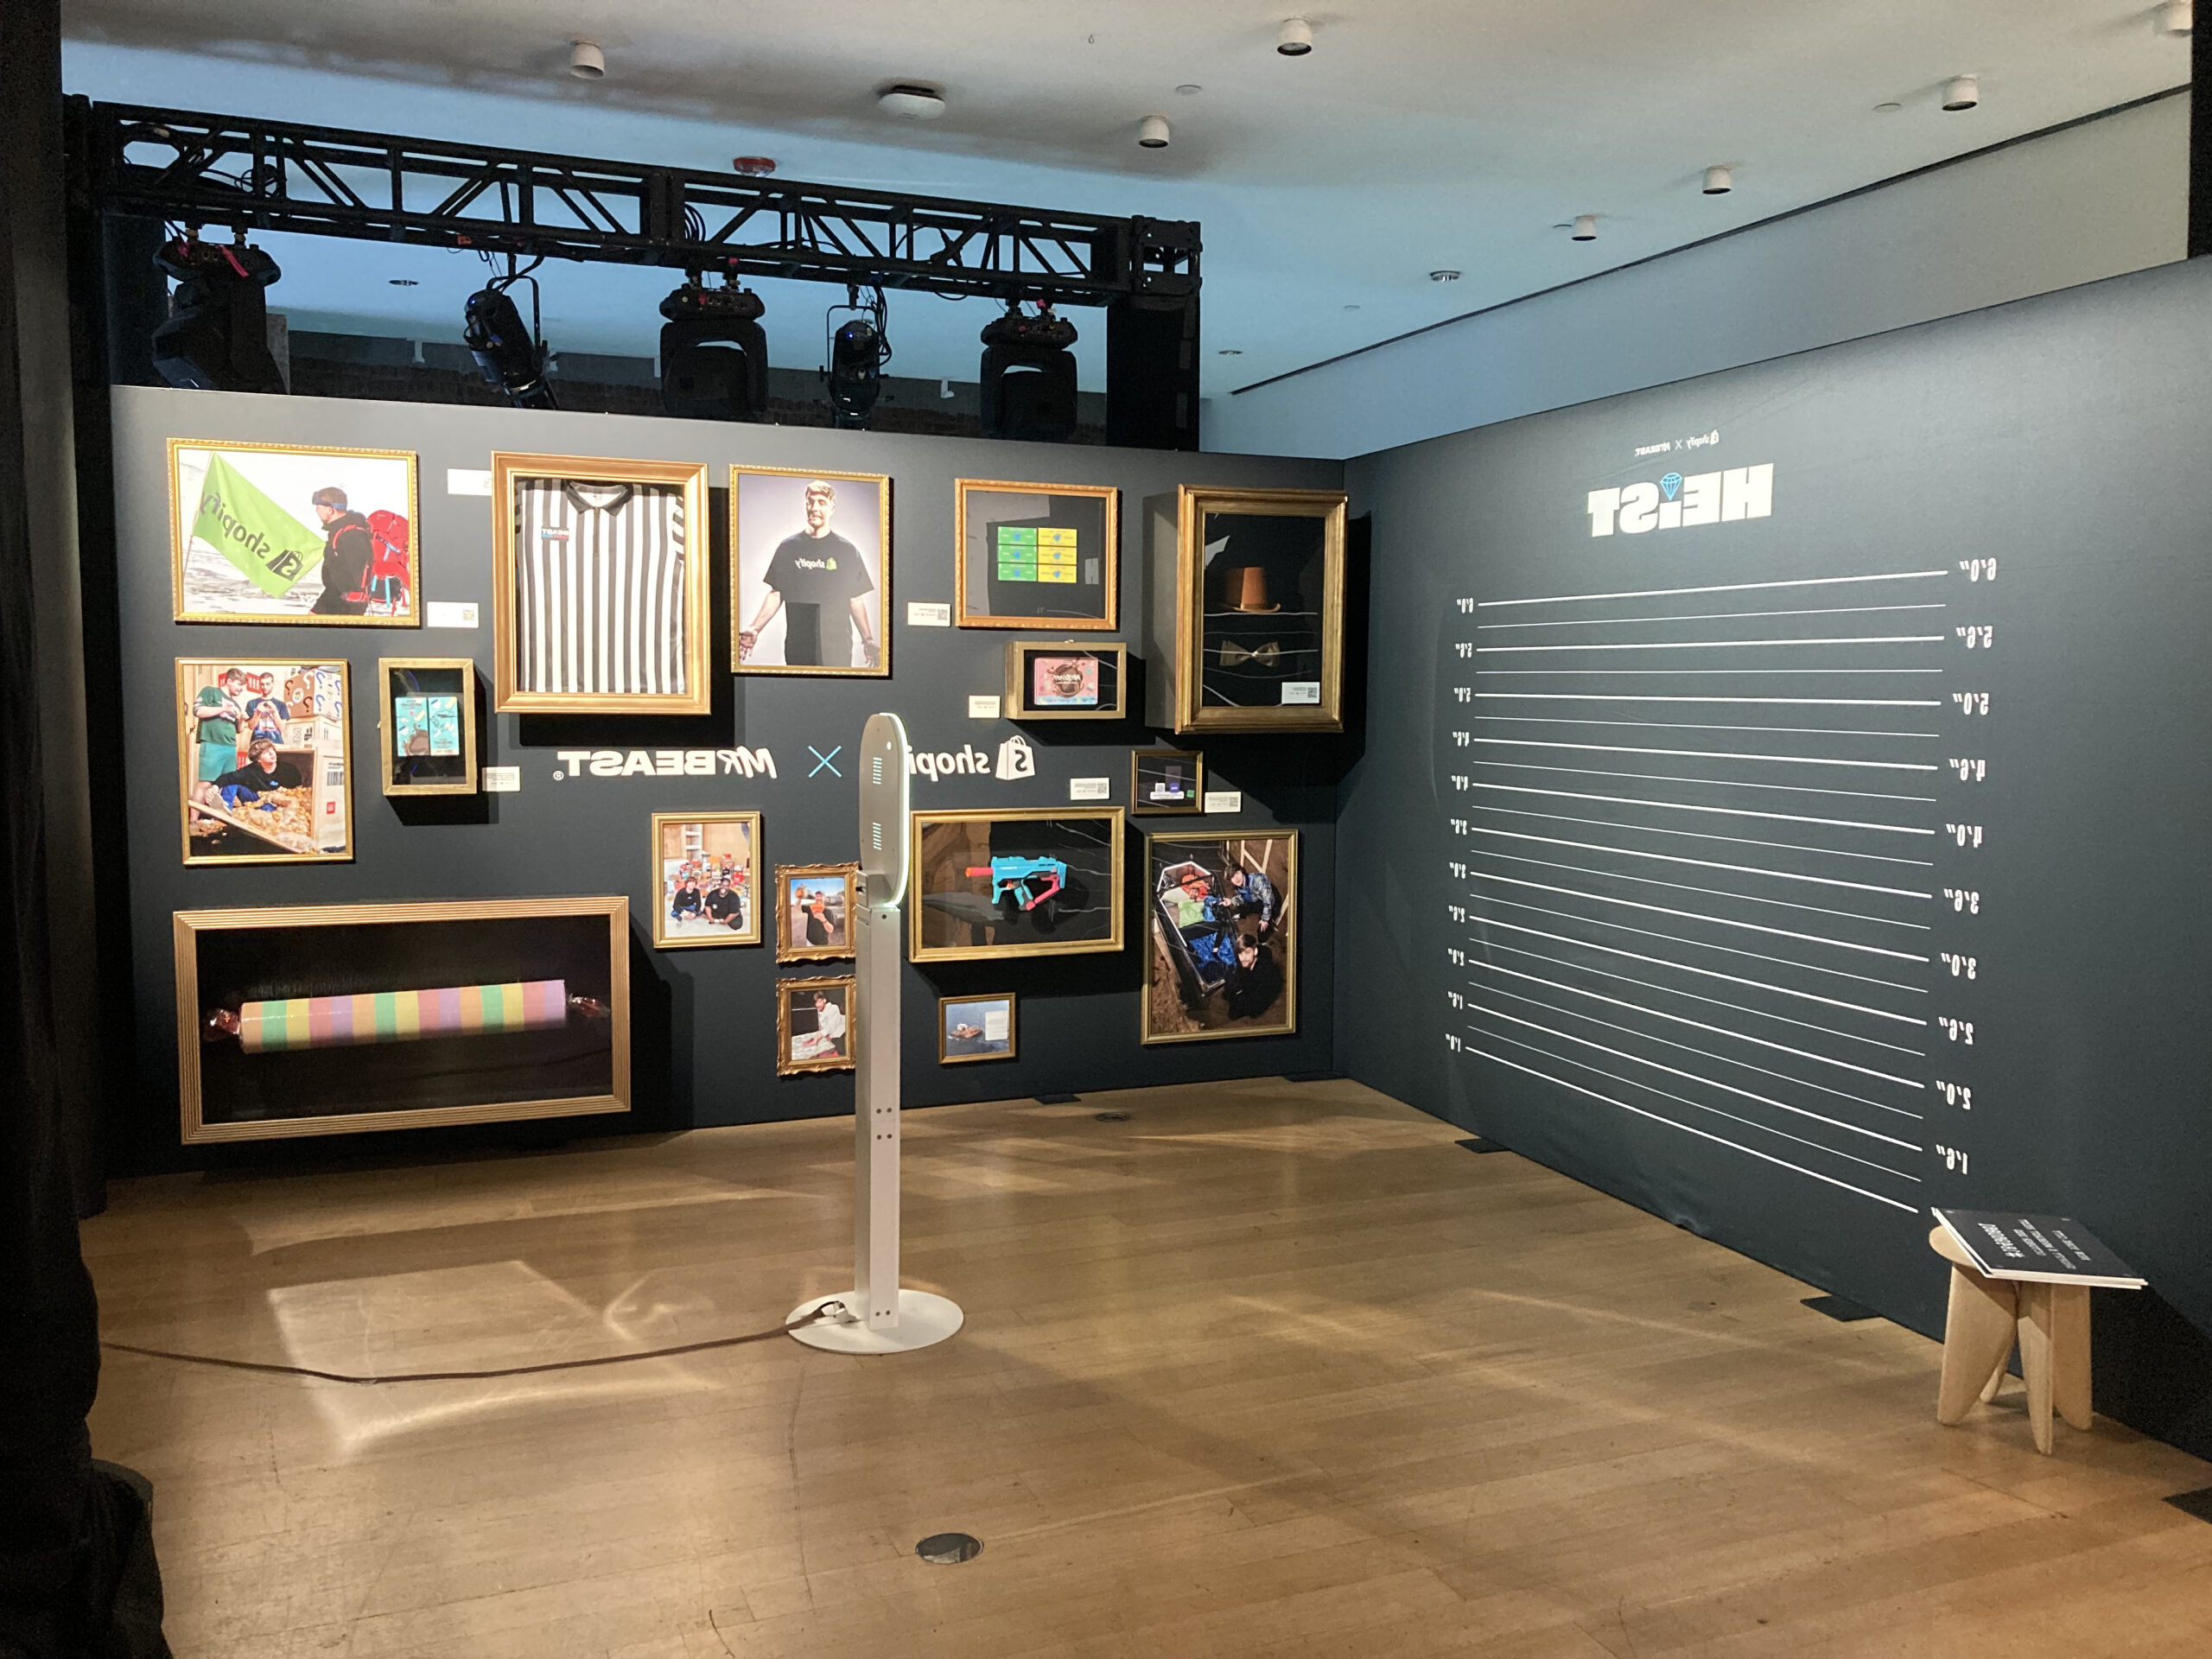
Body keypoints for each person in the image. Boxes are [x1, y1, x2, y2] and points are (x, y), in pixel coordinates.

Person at [739, 479, 880, 668]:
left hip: (836, 648)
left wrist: (868, 640)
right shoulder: (788, 547)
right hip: (799, 646)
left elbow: (855, 598)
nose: (815, 508)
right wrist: (755, 628)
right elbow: (777, 593)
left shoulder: (846, 550)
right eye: (810, 502)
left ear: (832, 508)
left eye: (822, 502)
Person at [308, 486, 376, 617]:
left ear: (330, 509)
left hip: (344, 603)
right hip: (339, 599)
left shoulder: (351, 535)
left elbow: (351, 579)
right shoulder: (340, 531)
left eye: (318, 506)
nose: (316, 510)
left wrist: (321, 608)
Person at [193, 739, 303, 816]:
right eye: (266, 752)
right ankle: (225, 810)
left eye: (272, 750)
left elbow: (298, 789)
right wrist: (215, 786)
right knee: (232, 782)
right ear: (258, 760)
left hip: (277, 802)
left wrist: (281, 798)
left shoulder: (288, 769)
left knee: (267, 809)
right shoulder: (251, 770)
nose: (272, 754)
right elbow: (229, 777)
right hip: (256, 798)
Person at [189, 668, 250, 783]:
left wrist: (242, 720)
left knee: (227, 784)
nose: (242, 688)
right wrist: (224, 708)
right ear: (229, 681)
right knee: (206, 783)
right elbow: (198, 711)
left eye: (243, 685)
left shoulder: (236, 704)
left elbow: (239, 730)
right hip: (212, 744)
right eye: (239, 684)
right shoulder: (210, 691)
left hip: (230, 747)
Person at [810, 988, 847, 1056]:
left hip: (842, 1032)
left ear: (824, 1000)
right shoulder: (819, 1010)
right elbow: (821, 1027)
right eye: (816, 1003)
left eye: (819, 1001)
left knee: (840, 1051)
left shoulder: (833, 1008)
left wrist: (818, 1037)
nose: (817, 1005)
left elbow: (831, 1027)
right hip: (830, 1034)